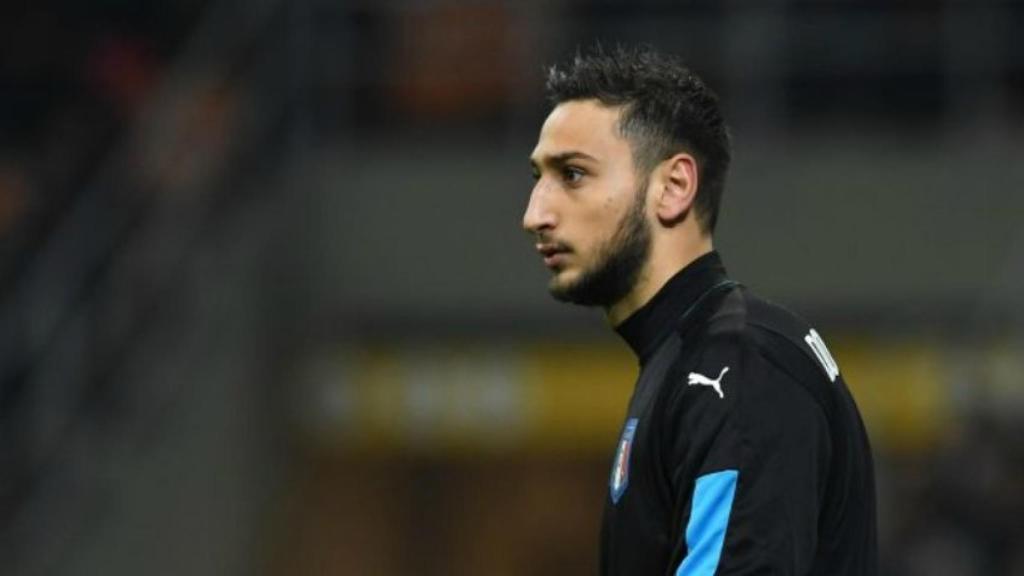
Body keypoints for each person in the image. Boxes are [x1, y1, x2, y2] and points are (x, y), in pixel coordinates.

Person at [523, 45, 878, 576]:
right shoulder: (690, 359)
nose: (536, 214)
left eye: (572, 174)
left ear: (673, 187)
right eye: (538, 178)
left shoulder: (738, 365)